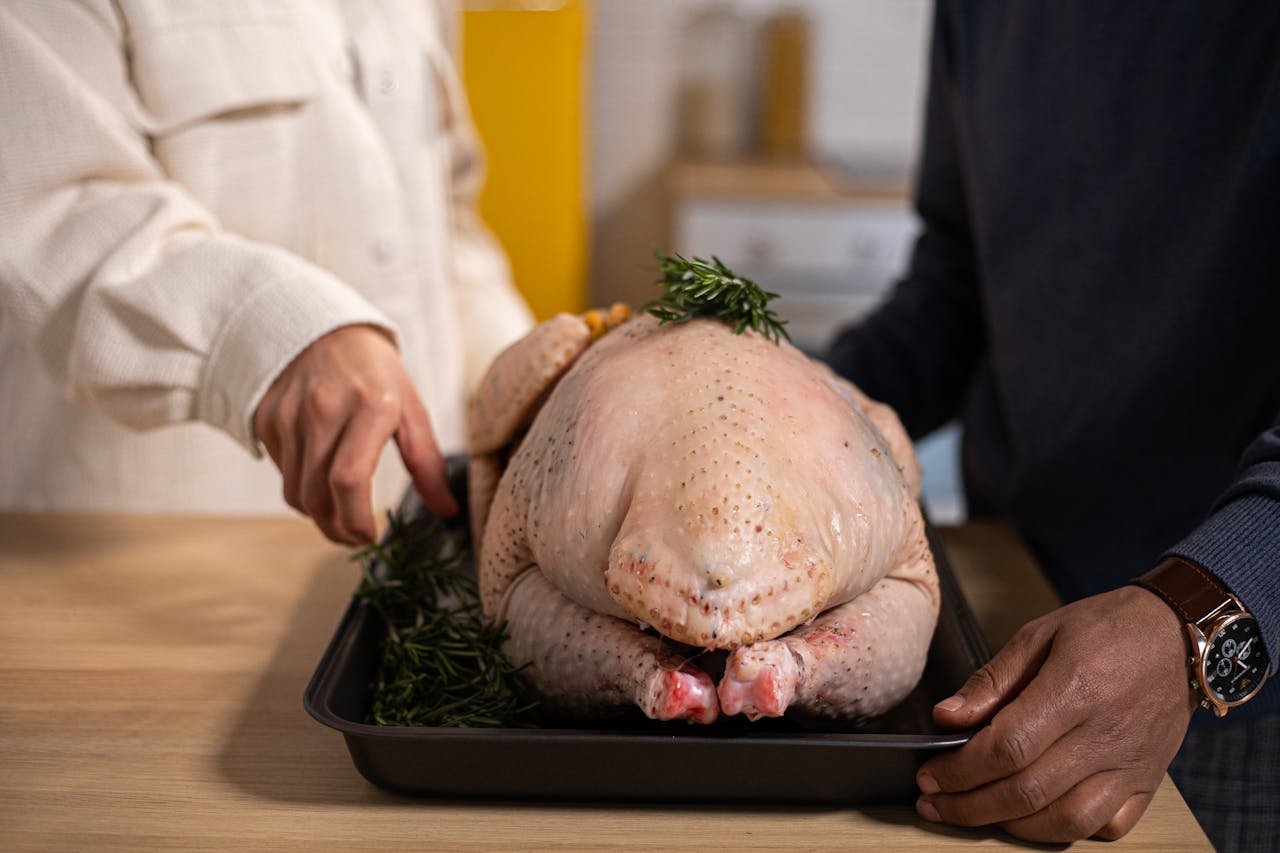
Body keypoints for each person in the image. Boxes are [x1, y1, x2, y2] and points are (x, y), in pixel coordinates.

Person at [825, 2, 1279, 848]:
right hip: (1010, 604)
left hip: (1239, 684)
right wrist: (774, 404)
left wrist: (1198, 616)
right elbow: (956, 292)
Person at [0, 1, 534, 543]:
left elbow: (450, 220)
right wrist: (281, 330)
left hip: (420, 534)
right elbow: (49, 212)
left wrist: (529, 380)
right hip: (140, 561)